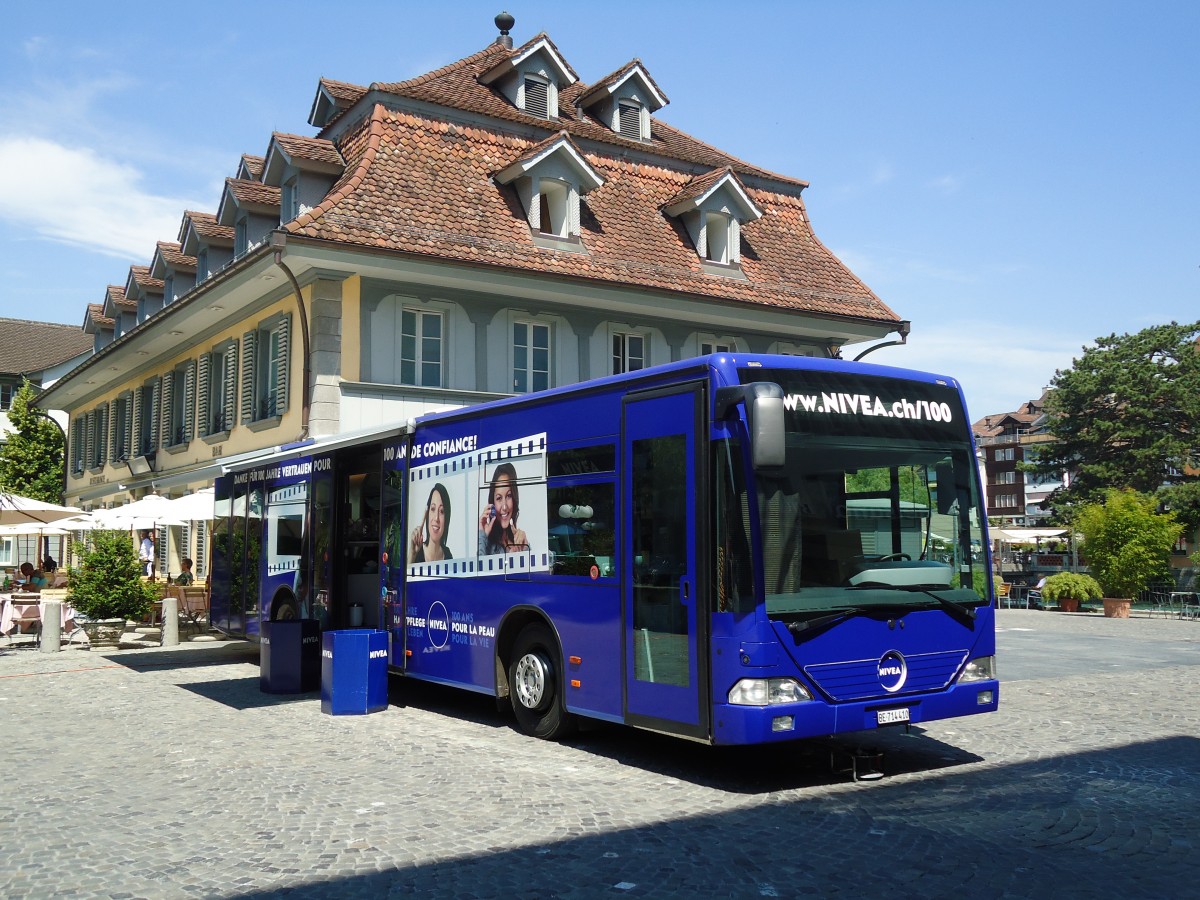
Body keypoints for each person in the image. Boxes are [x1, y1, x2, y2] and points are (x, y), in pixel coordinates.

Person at [478, 463, 528, 554]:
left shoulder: (520, 540)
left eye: (509, 496)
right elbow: (479, 567)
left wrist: (525, 549)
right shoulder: (486, 545)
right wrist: (482, 535)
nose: (504, 507)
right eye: (499, 498)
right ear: (492, 503)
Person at [410, 483, 453, 563]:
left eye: (442, 511)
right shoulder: (417, 550)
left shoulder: (448, 556)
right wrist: (412, 554)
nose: (436, 518)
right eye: (433, 509)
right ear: (427, 514)